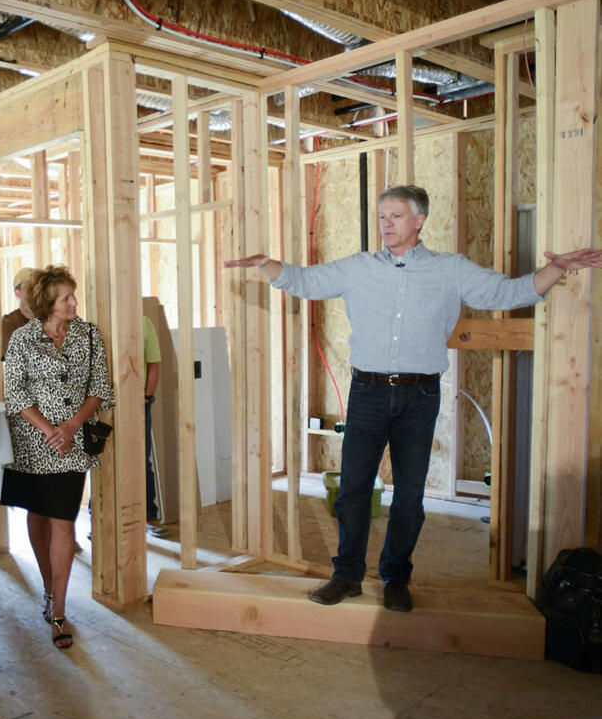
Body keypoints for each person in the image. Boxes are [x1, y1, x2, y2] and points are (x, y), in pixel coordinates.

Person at [224, 184, 602, 613]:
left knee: (408, 497)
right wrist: (267, 265)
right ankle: (346, 575)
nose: (386, 223)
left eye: (396, 216)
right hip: (366, 392)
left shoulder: (450, 269)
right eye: (382, 216)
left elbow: (507, 293)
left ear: (419, 220)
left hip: (419, 397)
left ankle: (395, 578)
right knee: (352, 491)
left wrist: (559, 270)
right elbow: (306, 280)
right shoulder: (358, 267)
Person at [0, 265, 114, 650]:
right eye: (66, 298)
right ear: (48, 302)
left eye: (73, 296)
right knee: (38, 515)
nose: (73, 303)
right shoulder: (22, 339)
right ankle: (47, 586)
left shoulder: (89, 334)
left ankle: (59, 610)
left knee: (63, 519)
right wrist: (49, 430)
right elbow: (15, 394)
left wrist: (69, 428)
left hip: (72, 445)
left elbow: (99, 388)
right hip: (33, 443)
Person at [142, 314, 161, 522]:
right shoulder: (98, 321)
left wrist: (147, 396)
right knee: (103, 459)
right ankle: (99, 517)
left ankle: (149, 515)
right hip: (104, 404)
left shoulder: (145, 323)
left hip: (139, 404)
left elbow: (154, 363)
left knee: (141, 458)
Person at [1, 267, 36, 360]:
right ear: (17, 293)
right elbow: (11, 360)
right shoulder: (10, 322)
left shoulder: (48, 319)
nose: (33, 292)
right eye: (28, 287)